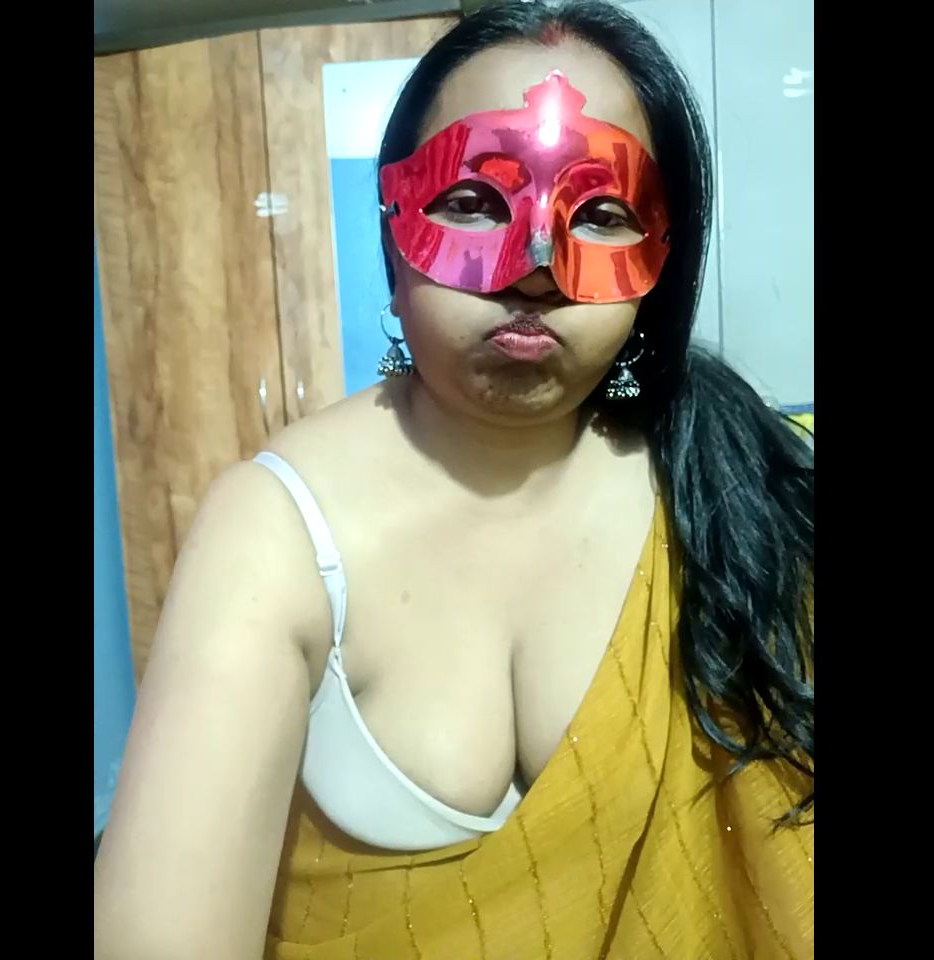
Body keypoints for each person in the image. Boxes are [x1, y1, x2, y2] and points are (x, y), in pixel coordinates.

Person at [93, 2, 814, 958]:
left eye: (600, 214)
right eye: (474, 202)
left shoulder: (732, 493)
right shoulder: (276, 532)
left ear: (659, 265)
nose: (536, 267)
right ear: (394, 233)